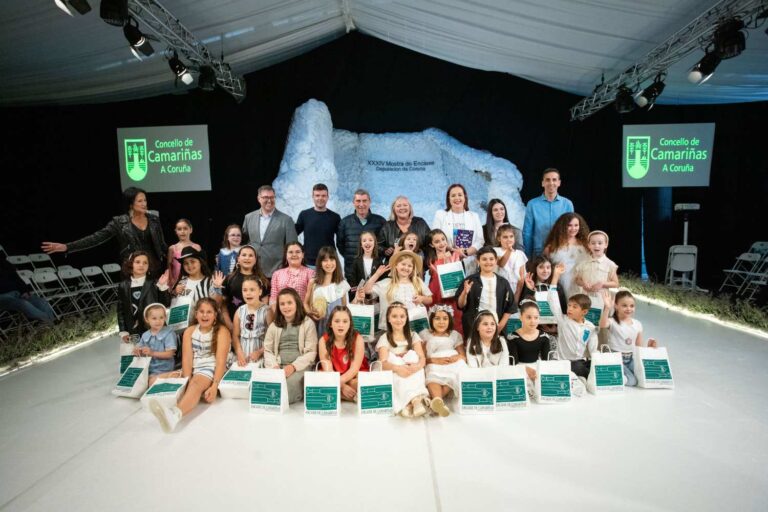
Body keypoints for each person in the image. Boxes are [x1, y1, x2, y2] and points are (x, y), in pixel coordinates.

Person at [148, 298, 232, 433]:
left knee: (195, 384)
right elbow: (187, 359)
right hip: (194, 367)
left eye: (209, 312)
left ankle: (174, 414)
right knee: (153, 380)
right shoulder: (190, 331)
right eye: (202, 312)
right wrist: (186, 380)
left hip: (212, 368)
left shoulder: (222, 331)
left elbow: (221, 361)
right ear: (196, 314)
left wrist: (214, 386)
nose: (205, 315)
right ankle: (182, 398)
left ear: (215, 315)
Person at [41, 187, 168, 276]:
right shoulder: (119, 222)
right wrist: (67, 247)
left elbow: (162, 245)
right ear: (130, 204)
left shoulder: (154, 220)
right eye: (140, 201)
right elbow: (96, 238)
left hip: (154, 268)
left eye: (145, 200)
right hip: (132, 270)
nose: (144, 203)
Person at [263, 288, 318, 404]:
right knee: (260, 387)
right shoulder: (274, 325)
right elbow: (267, 350)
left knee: (285, 388)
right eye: (282, 304)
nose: (286, 307)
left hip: (299, 367)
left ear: (297, 303)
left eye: (289, 303)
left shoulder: (308, 323)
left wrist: (293, 366)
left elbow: (311, 352)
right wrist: (274, 366)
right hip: (278, 366)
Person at [375, 302, 430, 418]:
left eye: (402, 316)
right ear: (388, 319)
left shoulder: (413, 335)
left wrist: (416, 366)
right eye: (394, 316)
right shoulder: (385, 338)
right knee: (393, 359)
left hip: (411, 370)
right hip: (395, 370)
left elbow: (422, 358)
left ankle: (409, 404)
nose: (398, 320)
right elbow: (383, 363)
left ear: (406, 318)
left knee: (413, 356)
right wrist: (399, 368)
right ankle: (414, 401)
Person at [359, 250, 432, 331]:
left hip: (412, 326)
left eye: (410, 266)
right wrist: (377, 274)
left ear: (413, 269)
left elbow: (430, 299)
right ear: (396, 265)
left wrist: (422, 298)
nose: (406, 268)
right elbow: (366, 290)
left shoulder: (417, 282)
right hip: (391, 328)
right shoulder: (386, 283)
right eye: (403, 264)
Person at [547, 264, 598, 379]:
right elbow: (553, 300)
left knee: (591, 367)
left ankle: (582, 379)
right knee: (579, 368)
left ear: (584, 312)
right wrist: (555, 276)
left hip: (580, 361)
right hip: (564, 362)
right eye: (569, 305)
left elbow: (593, 349)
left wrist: (597, 363)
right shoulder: (563, 320)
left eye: (574, 307)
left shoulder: (590, 326)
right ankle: (580, 379)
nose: (569, 309)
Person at [598, 290, 658, 387]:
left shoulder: (637, 324)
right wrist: (607, 308)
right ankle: (610, 376)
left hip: (630, 359)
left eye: (632, 306)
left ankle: (616, 374)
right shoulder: (612, 321)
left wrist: (649, 346)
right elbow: (602, 324)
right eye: (624, 305)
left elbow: (639, 346)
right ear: (616, 306)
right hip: (615, 357)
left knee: (643, 375)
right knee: (632, 381)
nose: (629, 308)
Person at [457, 246, 517, 337]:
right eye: (484, 259)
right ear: (478, 261)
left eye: (491, 259)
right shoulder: (470, 281)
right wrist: (464, 293)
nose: (488, 262)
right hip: (473, 328)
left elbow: (510, 307)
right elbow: (460, 305)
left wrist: (500, 326)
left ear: (496, 261)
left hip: (496, 327)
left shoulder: (503, 282)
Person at [242, 185, 298, 278]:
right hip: (252, 271)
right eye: (265, 197)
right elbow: (244, 243)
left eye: (272, 197)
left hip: (277, 272)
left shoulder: (286, 220)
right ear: (259, 199)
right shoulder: (249, 218)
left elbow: (292, 247)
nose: (269, 200)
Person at [421, 304, 467, 417]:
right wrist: (433, 360)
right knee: (433, 375)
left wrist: (457, 357)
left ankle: (435, 401)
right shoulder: (425, 334)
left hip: (452, 363)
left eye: (445, 318)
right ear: (431, 320)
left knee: (458, 370)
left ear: (449, 320)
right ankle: (437, 400)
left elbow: (463, 356)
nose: (441, 322)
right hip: (434, 362)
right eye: (437, 318)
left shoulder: (454, 335)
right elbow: (421, 357)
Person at [318, 306, 370, 401]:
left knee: (361, 383)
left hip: (353, 376)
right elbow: (328, 370)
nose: (341, 325)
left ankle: (339, 394)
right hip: (333, 376)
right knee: (319, 379)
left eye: (345, 321)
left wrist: (339, 383)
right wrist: (342, 386)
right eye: (337, 321)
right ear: (330, 324)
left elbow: (354, 369)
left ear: (350, 324)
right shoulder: (323, 340)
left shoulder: (358, 339)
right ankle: (349, 395)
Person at [116, 251, 170, 341]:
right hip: (134, 331)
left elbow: (165, 304)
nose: (141, 265)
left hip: (155, 329)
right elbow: (121, 310)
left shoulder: (155, 283)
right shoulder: (123, 286)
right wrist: (123, 331)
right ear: (131, 264)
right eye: (137, 262)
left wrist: (162, 287)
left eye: (145, 263)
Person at [432, 184, 485, 273]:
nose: (457, 198)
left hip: (469, 262)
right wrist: (455, 252)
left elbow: (480, 241)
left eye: (460, 195)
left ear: (465, 197)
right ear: (449, 199)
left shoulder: (474, 216)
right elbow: (434, 238)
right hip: (447, 260)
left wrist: (465, 252)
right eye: (453, 195)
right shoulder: (440, 215)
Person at [522, 168, 574, 258]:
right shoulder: (532, 204)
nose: (551, 183)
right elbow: (527, 233)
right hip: (539, 254)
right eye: (547, 180)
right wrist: (528, 257)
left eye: (554, 180)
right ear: (543, 183)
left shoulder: (567, 204)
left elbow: (571, 230)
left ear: (559, 183)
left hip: (561, 252)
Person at [218, 245, 269, 330]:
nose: (247, 258)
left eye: (250, 255)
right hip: (233, 324)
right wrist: (229, 324)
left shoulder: (262, 279)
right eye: (244, 255)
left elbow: (265, 304)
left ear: (256, 260)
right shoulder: (229, 279)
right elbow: (223, 305)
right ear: (238, 258)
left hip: (256, 326)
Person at [337, 189, 386, 277]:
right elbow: (340, 245)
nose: (361, 204)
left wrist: (376, 260)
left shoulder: (380, 221)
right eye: (358, 201)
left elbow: (384, 245)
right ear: (353, 202)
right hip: (351, 271)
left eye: (364, 201)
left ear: (369, 202)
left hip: (375, 271)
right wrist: (351, 258)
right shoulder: (344, 222)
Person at [425, 228, 463, 336]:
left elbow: (456, 273)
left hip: (452, 291)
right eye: (437, 241)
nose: (441, 243)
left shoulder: (454, 254)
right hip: (436, 291)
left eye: (443, 239)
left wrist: (452, 255)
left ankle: (457, 340)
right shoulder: (431, 259)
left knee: (455, 316)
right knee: (437, 316)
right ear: (432, 245)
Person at [304, 246, 350, 336]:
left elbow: (344, 307)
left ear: (336, 261)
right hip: (320, 327)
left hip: (337, 329)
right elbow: (305, 303)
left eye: (332, 259)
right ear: (320, 263)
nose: (329, 263)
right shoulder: (313, 282)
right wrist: (311, 314)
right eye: (325, 260)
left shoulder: (341, 283)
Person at [543, 212, 590, 298]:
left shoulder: (586, 244)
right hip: (561, 284)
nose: (573, 228)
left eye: (576, 225)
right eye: (569, 225)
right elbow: (545, 266)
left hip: (582, 283)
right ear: (562, 227)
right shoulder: (552, 246)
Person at [0, 253, 56, 324]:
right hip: (3, 298)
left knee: (42, 301)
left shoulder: (3, 262)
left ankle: (52, 323)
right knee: (24, 304)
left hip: (18, 293)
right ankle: (51, 323)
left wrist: (24, 291)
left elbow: (17, 278)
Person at [295, 183, 341, 269]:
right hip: (308, 263)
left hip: (329, 263)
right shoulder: (304, 215)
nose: (320, 198)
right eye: (317, 195)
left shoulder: (335, 217)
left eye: (323, 196)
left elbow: (341, 240)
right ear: (313, 197)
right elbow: (293, 233)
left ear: (327, 197)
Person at [507, 301, 551, 385]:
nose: (532, 321)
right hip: (519, 371)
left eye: (536, 317)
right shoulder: (513, 337)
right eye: (529, 317)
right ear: (521, 317)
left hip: (537, 370)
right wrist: (526, 370)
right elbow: (513, 363)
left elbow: (546, 362)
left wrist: (538, 373)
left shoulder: (544, 337)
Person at [232, 276, 271, 367]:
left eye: (252, 290)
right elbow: (235, 336)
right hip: (242, 358)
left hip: (262, 357)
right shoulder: (239, 311)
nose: (248, 293)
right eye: (245, 290)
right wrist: (239, 353)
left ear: (260, 291)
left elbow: (272, 338)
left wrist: (260, 352)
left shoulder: (267, 311)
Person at [134, 303, 177, 386]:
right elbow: (140, 349)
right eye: (154, 318)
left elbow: (170, 354)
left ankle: (173, 375)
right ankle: (158, 379)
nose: (158, 321)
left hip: (164, 369)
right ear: (147, 319)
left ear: (165, 318)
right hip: (149, 369)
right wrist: (138, 351)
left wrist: (152, 353)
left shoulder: (168, 333)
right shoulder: (145, 335)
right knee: (137, 382)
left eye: (161, 317)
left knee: (150, 383)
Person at [269, 242, 315, 312]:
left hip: (303, 312)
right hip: (282, 313)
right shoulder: (277, 274)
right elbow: (273, 299)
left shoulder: (310, 273)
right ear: (286, 255)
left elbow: (312, 298)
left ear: (303, 255)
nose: (294, 255)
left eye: (297, 252)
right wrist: (279, 315)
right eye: (290, 252)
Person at [574, 230, 620, 296]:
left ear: (606, 245)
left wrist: (602, 284)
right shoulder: (583, 263)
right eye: (593, 243)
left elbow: (616, 283)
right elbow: (577, 280)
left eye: (600, 243)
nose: (596, 246)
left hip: (601, 298)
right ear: (589, 245)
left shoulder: (609, 264)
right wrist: (583, 283)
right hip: (585, 297)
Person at [493, 224, 528, 304]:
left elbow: (521, 277)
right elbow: (501, 264)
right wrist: (509, 251)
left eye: (511, 236)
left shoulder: (520, 254)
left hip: (515, 287)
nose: (509, 239)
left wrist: (517, 295)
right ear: (499, 238)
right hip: (499, 287)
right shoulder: (495, 251)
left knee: (512, 306)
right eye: (505, 237)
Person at [346, 231, 386, 295]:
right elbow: (352, 282)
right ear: (361, 244)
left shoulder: (379, 261)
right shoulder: (356, 261)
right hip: (359, 296)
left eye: (370, 240)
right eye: (364, 241)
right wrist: (356, 293)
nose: (367, 242)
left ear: (375, 243)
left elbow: (382, 281)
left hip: (375, 296)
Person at [166, 218, 202, 285]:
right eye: (179, 229)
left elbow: (200, 265)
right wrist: (171, 280)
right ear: (176, 231)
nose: (182, 231)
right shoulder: (172, 248)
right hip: (176, 282)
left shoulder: (196, 247)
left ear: (190, 230)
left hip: (193, 280)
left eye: (185, 228)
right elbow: (169, 266)